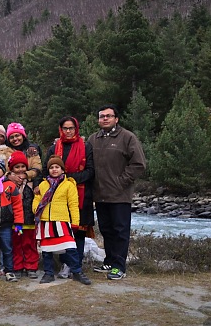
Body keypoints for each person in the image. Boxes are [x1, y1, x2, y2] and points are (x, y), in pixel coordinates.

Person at [87, 105, 146, 281]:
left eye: (108, 116)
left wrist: (121, 182)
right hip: (100, 194)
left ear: (116, 119)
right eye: (101, 116)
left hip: (120, 195)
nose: (105, 119)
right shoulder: (93, 139)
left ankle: (119, 267)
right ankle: (109, 261)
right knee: (106, 229)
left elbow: (138, 164)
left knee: (120, 231)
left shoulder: (127, 137)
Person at [44, 117, 95, 279]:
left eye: (71, 128)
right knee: (61, 231)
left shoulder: (86, 147)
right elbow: (47, 169)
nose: (68, 131)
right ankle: (64, 264)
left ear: (76, 128)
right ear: (60, 129)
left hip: (80, 195)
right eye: (65, 128)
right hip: (57, 196)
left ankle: (76, 266)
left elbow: (90, 171)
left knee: (78, 232)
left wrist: (69, 179)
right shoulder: (54, 147)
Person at [32, 156, 92, 285]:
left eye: (57, 167)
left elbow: (73, 204)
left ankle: (77, 272)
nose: (54, 170)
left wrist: (75, 222)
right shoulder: (43, 185)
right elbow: (37, 200)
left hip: (62, 221)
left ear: (62, 169)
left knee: (70, 248)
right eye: (51, 167)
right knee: (47, 250)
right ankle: (48, 273)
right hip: (46, 221)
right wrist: (36, 206)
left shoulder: (69, 185)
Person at [7, 151, 39, 279]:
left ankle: (31, 266)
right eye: (17, 167)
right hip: (14, 220)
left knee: (29, 243)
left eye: (23, 166)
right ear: (12, 169)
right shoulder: (9, 183)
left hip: (29, 219)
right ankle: (18, 266)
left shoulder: (32, 183)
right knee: (16, 244)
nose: (20, 169)